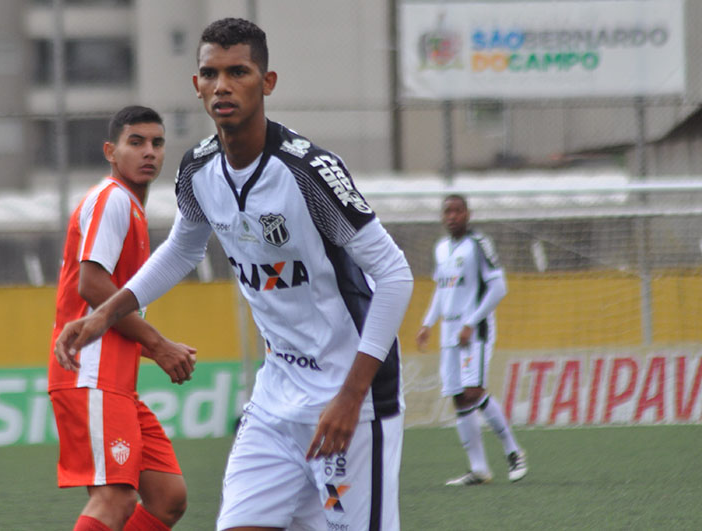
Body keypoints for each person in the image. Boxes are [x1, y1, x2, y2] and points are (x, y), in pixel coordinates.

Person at [54, 17, 413, 531]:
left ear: (267, 83)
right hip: (275, 398)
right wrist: (103, 317)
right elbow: (182, 249)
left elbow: (395, 275)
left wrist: (351, 396)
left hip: (348, 402)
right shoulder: (198, 170)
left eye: (238, 72)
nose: (222, 85)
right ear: (196, 86)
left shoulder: (308, 172)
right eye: (210, 73)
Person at [48, 105, 197, 531]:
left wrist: (154, 346)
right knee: (114, 498)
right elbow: (92, 286)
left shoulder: (130, 207)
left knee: (168, 498)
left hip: (115, 382)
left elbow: (108, 302)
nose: (149, 151)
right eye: (136, 142)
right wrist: (157, 344)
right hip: (89, 375)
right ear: (111, 151)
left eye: (157, 142)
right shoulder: (112, 199)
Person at [416, 194, 527, 486]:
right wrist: (428, 323)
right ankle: (478, 469)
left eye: (457, 211)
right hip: (448, 331)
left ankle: (514, 452)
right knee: (458, 396)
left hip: (473, 331)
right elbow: (442, 290)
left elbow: (499, 288)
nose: (451, 216)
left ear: (468, 214)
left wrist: (470, 322)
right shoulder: (440, 249)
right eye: (447, 212)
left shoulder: (479, 245)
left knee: (474, 391)